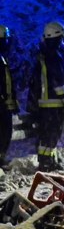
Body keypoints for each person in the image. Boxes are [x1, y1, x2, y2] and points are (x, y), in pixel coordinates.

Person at [27, 22, 64, 171]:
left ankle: (48, 160)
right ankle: (46, 162)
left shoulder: (44, 56)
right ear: (55, 38)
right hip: (54, 104)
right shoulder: (54, 57)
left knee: (47, 135)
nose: (62, 42)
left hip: (45, 105)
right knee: (51, 134)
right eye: (61, 38)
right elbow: (58, 82)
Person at [0, 26, 18, 167]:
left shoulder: (2, 59)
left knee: (4, 132)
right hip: (1, 104)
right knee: (3, 131)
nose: (7, 42)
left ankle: (1, 158)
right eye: (5, 39)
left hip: (3, 103)